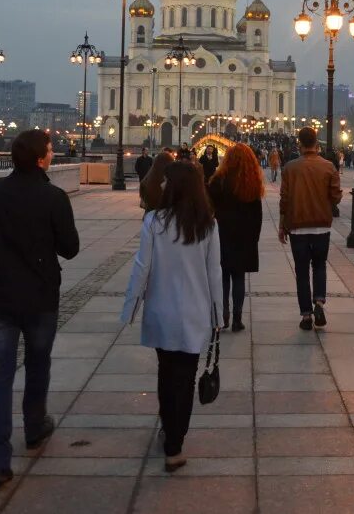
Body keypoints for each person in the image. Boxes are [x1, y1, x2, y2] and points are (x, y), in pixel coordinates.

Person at [0, 130, 80, 490]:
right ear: (40, 158)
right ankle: (33, 428)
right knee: (37, 363)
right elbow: (71, 248)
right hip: (40, 296)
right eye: (49, 150)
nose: (52, 154)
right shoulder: (53, 197)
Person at [121, 161, 222, 474]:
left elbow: (142, 266)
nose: (161, 185)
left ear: (176, 186)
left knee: (167, 373)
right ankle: (175, 443)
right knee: (186, 377)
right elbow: (213, 272)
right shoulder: (207, 224)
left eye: (166, 181)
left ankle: (169, 429)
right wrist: (218, 314)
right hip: (193, 312)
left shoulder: (154, 221)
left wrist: (131, 306)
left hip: (162, 311)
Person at [278, 127, 342, 331]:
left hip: (297, 227)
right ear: (316, 143)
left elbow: (284, 199)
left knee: (302, 271)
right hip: (322, 226)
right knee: (320, 265)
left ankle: (306, 315)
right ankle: (319, 302)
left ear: (299, 143)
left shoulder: (290, 168)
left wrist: (282, 225)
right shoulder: (328, 166)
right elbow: (336, 196)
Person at [208, 144, 263, 332]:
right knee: (239, 278)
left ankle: (223, 315)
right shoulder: (251, 182)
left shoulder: (218, 180)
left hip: (221, 234)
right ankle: (238, 319)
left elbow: (209, 208)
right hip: (243, 236)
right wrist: (254, 238)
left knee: (222, 276)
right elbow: (257, 215)